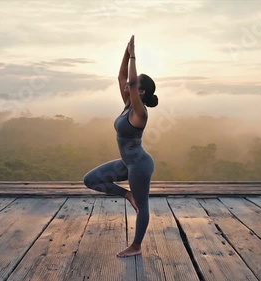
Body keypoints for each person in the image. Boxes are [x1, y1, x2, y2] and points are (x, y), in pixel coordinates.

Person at [83, 35, 158, 258]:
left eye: (134, 86)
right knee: (91, 180)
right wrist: (126, 51)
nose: (127, 85)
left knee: (142, 207)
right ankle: (128, 196)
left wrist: (134, 54)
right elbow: (121, 76)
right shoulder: (127, 104)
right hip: (127, 163)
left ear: (141, 93)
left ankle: (136, 246)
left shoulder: (140, 112)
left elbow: (131, 82)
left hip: (139, 166)